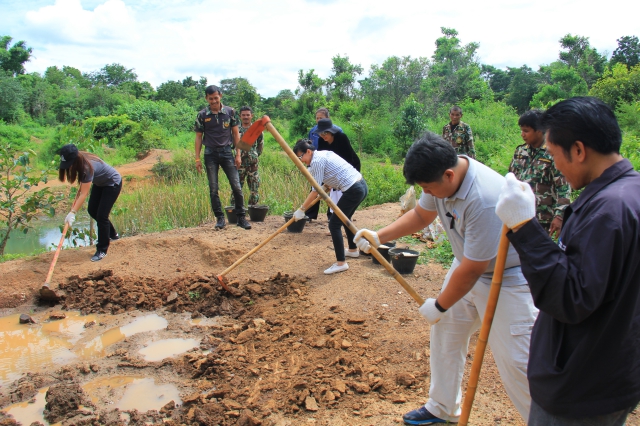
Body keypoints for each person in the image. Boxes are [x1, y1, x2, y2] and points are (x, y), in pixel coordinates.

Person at [355, 133, 537, 425]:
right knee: (446, 333)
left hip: (507, 277)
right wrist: (379, 236)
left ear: (449, 175)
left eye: (428, 188)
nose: (426, 192)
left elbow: (474, 269)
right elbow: (421, 216)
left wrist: (440, 304)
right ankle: (442, 407)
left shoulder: (485, 199)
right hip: (467, 262)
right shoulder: (439, 174)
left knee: (518, 362)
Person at [495, 97, 640, 426]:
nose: (555, 165)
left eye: (554, 154)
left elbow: (570, 297)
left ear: (578, 150)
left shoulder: (607, 212)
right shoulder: (630, 192)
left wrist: (524, 227)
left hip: (581, 383)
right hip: (614, 371)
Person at [292, 139, 367, 275]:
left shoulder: (316, 162)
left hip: (353, 190)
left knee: (334, 224)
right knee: (345, 218)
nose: (301, 161)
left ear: (308, 151)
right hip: (361, 185)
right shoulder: (323, 154)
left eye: (301, 157)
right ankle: (352, 250)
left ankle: (341, 263)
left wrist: (302, 209)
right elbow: (334, 173)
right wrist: (326, 184)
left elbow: (315, 190)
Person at [194, 85, 251, 230]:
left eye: (216, 98)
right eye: (210, 99)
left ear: (220, 96)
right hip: (210, 154)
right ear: (206, 98)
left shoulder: (230, 112)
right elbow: (199, 137)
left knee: (236, 186)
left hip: (227, 153)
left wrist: (238, 154)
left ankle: (241, 218)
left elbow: (236, 134)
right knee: (213, 188)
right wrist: (197, 159)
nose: (213, 101)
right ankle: (220, 218)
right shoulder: (202, 115)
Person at [508, 109, 570, 236]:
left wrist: (559, 216)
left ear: (540, 130)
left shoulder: (552, 153)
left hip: (542, 219)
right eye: (521, 130)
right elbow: (510, 180)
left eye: (526, 131)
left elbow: (563, 187)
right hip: (519, 215)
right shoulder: (520, 152)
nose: (522, 134)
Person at [58, 144, 121, 262]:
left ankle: (102, 250)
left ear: (74, 159)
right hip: (100, 184)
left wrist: (72, 213)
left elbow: (83, 194)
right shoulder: (80, 159)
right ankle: (113, 235)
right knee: (92, 210)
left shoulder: (86, 167)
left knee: (102, 216)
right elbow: (83, 187)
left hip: (112, 183)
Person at [313, 118, 361, 225]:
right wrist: (326, 181)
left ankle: (345, 217)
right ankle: (333, 217)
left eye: (325, 133)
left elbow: (348, 159)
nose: (323, 136)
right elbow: (321, 160)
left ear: (331, 131)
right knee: (333, 193)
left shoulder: (342, 138)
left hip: (350, 166)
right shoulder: (321, 141)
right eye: (321, 133)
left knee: (344, 192)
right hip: (333, 170)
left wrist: (335, 179)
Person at [306, 108, 342, 221]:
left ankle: (332, 215)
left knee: (333, 191)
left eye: (321, 118)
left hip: (331, 165)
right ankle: (310, 214)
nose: (318, 120)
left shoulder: (337, 131)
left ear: (327, 118)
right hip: (317, 164)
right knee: (315, 187)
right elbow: (310, 148)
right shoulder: (313, 131)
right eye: (317, 118)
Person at [230, 106, 263, 207]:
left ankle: (253, 210)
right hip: (238, 164)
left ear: (251, 116)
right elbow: (231, 145)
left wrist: (253, 155)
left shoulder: (256, 130)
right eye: (243, 115)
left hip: (253, 165)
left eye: (248, 115)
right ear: (240, 116)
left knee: (254, 189)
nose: (245, 117)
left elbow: (260, 146)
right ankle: (235, 210)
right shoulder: (235, 130)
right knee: (236, 189)